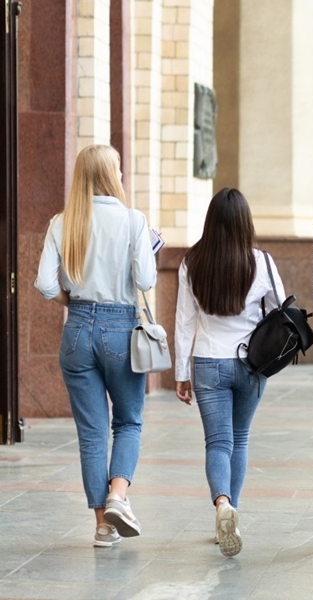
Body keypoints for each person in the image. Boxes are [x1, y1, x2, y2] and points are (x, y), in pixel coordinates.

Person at [35, 144, 157, 547]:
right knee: (128, 421)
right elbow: (146, 281)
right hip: (120, 329)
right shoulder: (133, 221)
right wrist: (150, 247)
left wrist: (74, 303)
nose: (122, 176)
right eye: (118, 169)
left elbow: (46, 284)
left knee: (91, 433)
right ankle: (118, 496)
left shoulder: (62, 222)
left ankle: (103, 526)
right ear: (110, 174)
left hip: (77, 329)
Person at [174, 188, 287, 558]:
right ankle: (231, 511)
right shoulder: (262, 263)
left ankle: (223, 504)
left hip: (208, 362)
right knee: (239, 438)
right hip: (251, 365)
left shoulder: (192, 262)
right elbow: (278, 313)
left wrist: (180, 372)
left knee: (217, 443)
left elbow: (184, 323)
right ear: (245, 221)